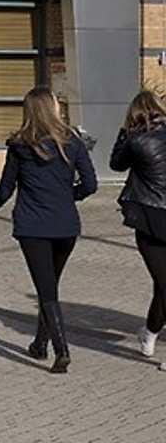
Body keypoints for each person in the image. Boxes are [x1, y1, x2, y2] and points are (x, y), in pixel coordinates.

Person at [0, 85, 97, 373]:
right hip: (65, 226)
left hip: (33, 226)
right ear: (52, 109)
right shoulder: (72, 142)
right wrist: (67, 197)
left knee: (46, 290)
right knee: (49, 285)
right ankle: (39, 343)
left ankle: (62, 351)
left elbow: (6, 187)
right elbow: (90, 184)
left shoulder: (19, 145)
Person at [109, 88, 166, 366]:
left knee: (164, 283)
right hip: (155, 216)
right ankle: (150, 335)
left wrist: (124, 133)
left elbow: (115, 164)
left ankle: (150, 335)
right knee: (162, 283)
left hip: (149, 217)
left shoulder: (136, 140)